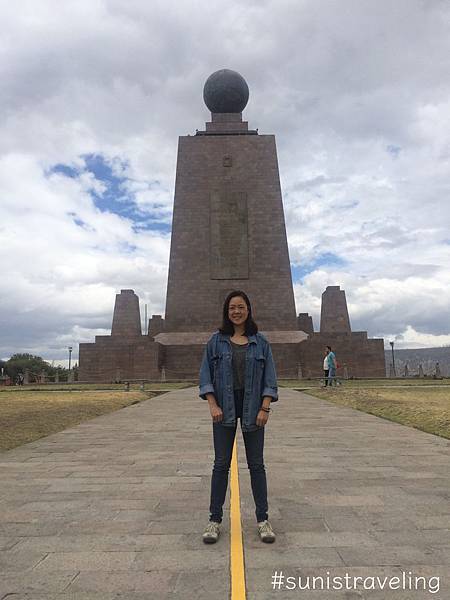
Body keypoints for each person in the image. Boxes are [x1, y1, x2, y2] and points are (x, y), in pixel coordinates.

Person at [199, 290, 278, 544]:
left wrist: (265, 407)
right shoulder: (216, 341)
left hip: (253, 407)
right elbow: (205, 376)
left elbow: (270, 378)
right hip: (224, 407)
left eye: (240, 307)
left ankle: (263, 520)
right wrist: (212, 404)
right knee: (221, 464)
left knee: (256, 465)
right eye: (232, 307)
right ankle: (214, 520)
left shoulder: (261, 341)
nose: (236, 311)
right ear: (226, 310)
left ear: (248, 309)